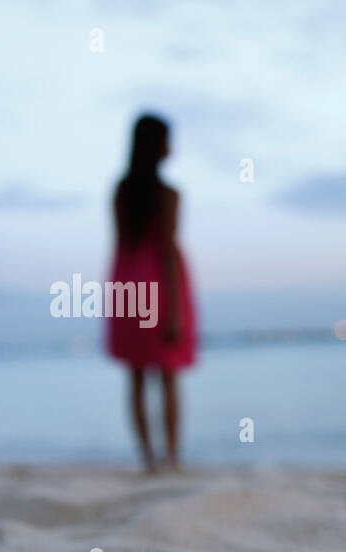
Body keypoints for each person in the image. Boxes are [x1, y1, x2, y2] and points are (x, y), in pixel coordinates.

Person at [106, 113, 197, 472]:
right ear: (158, 145)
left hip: (128, 282)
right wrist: (174, 309)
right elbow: (167, 250)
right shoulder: (167, 195)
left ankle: (148, 460)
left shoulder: (122, 192)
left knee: (137, 375)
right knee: (168, 374)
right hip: (160, 283)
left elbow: (119, 243)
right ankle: (172, 457)